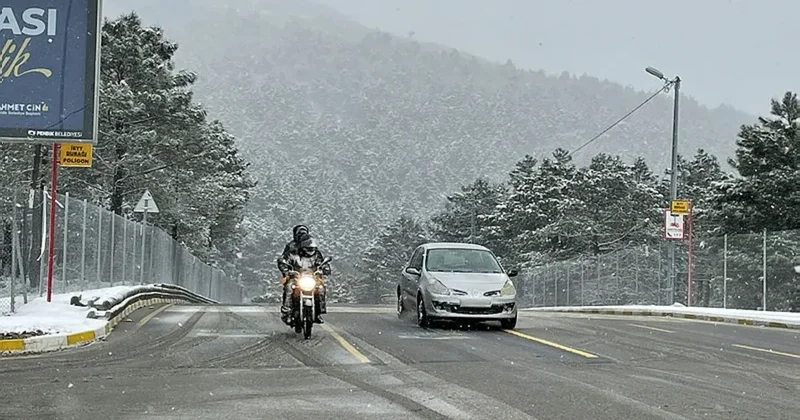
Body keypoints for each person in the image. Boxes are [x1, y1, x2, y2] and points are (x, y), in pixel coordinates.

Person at [277, 226, 329, 324]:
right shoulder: (292, 249)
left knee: (321, 288)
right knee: (289, 288)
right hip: (296, 276)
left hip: (312, 276)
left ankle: (318, 312)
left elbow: (322, 262)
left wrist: (325, 269)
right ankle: (287, 311)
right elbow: (284, 260)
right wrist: (287, 270)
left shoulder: (315, 252)